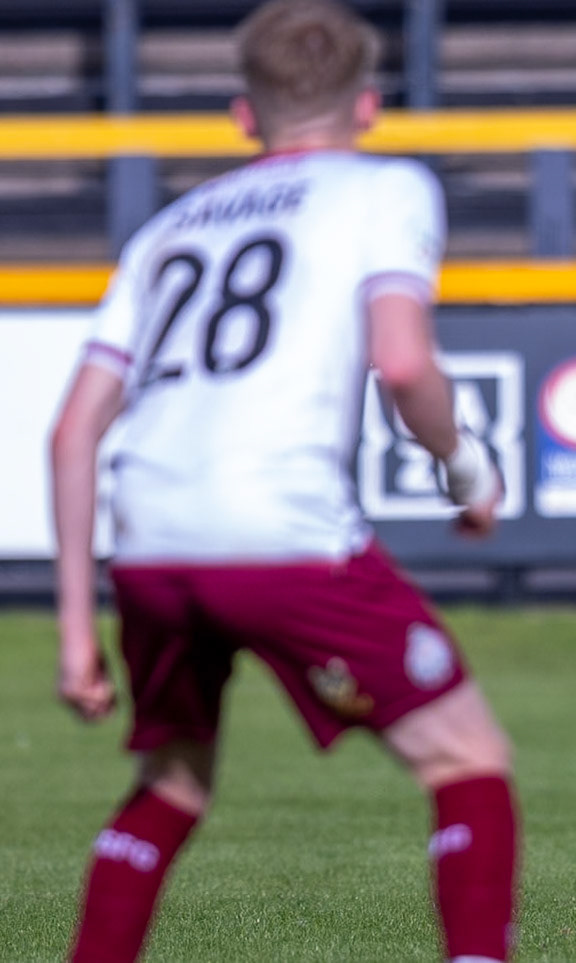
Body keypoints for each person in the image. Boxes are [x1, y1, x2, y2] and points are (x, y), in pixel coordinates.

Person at [49, 2, 516, 960]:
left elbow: (71, 431)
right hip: (280, 531)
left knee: (171, 783)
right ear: (370, 106)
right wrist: (466, 468)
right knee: (466, 757)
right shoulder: (382, 190)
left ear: (242, 115)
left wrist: (73, 634)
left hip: (150, 544)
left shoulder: (166, 230)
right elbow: (402, 361)